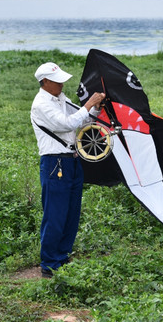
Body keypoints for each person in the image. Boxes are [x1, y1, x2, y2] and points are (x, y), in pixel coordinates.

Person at [30, 62, 105, 278]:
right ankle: (50, 264)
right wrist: (89, 103)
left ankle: (62, 258)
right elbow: (67, 123)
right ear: (44, 82)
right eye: (57, 81)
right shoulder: (41, 104)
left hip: (72, 161)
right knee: (55, 214)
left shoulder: (61, 99)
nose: (62, 84)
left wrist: (96, 108)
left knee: (71, 213)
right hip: (55, 164)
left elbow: (84, 120)